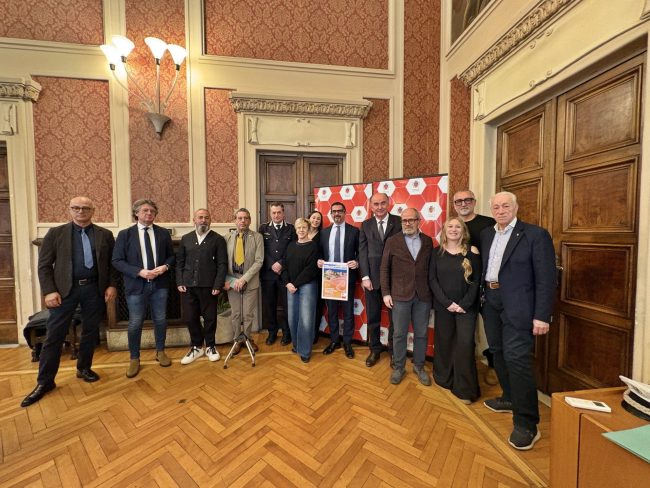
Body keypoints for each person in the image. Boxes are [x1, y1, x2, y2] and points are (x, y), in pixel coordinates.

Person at [21, 197, 118, 407]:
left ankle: (84, 368)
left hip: (94, 289)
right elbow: (44, 265)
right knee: (54, 335)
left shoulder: (104, 234)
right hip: (65, 292)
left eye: (85, 208)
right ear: (70, 210)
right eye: (76, 208)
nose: (81, 211)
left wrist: (111, 285)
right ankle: (45, 382)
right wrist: (49, 291)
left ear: (93, 210)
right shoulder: (56, 233)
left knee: (90, 332)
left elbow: (111, 264)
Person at [480, 191, 556, 450]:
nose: (501, 211)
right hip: (491, 301)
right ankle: (509, 398)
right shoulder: (487, 234)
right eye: (496, 207)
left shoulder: (535, 235)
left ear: (516, 207)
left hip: (520, 306)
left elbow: (546, 278)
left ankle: (527, 424)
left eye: (506, 206)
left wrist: (542, 315)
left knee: (517, 359)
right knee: (498, 352)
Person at [112, 199, 175, 378]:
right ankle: (134, 358)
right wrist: (139, 272)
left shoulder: (163, 233)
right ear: (136, 213)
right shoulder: (125, 234)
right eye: (145, 210)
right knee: (135, 322)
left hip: (160, 285)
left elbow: (171, 257)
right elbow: (117, 261)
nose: (149, 213)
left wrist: (165, 267)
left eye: (152, 211)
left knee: (160, 320)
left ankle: (160, 351)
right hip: (136, 285)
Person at [429, 217, 481, 404]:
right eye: (450, 226)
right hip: (444, 307)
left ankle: (465, 389)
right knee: (444, 342)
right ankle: (444, 378)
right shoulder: (436, 252)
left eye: (458, 226)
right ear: (444, 230)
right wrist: (447, 303)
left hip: (467, 308)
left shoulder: (473, 252)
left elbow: (477, 281)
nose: (453, 229)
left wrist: (463, 304)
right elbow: (432, 280)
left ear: (463, 231)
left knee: (465, 345)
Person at [381, 208, 433, 386]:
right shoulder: (392, 241)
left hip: (423, 296)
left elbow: (430, 268)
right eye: (404, 220)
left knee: (421, 333)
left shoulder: (427, 241)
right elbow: (384, 268)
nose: (407, 223)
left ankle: (419, 366)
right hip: (400, 295)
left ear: (419, 221)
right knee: (399, 334)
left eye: (411, 220)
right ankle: (399, 367)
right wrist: (386, 293)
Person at [453, 189, 499, 386]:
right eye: (459, 201)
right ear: (454, 205)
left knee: (493, 330)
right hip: (462, 288)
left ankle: (493, 365)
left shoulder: (489, 223)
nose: (463, 204)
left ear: (474, 202)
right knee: (464, 332)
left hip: (487, 287)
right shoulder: (453, 225)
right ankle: (465, 368)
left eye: (467, 200)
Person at [176, 209, 228, 364]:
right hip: (188, 286)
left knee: (210, 318)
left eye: (206, 217)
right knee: (190, 317)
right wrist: (180, 281)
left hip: (209, 286)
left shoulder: (218, 239)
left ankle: (210, 346)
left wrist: (218, 284)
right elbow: (179, 263)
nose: (203, 220)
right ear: (194, 220)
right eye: (200, 217)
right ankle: (196, 347)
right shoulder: (186, 239)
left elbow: (222, 264)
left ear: (210, 220)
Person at [359, 192, 401, 367]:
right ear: (371, 206)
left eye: (383, 203)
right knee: (373, 317)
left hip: (394, 280)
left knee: (395, 320)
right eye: (376, 204)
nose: (379, 207)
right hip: (372, 281)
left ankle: (394, 352)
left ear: (389, 203)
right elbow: (362, 252)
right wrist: (365, 276)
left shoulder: (399, 222)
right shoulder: (365, 225)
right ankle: (374, 349)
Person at [317, 202, 359, 359]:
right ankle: (334, 340)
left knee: (348, 312)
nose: (337, 214)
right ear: (331, 213)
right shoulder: (324, 233)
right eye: (334, 211)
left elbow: (361, 252)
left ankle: (347, 342)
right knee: (332, 312)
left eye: (340, 211)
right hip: (329, 278)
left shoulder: (354, 231)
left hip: (347, 278)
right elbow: (319, 252)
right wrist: (319, 261)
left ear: (345, 212)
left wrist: (357, 262)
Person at [224, 208, 264, 354]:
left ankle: (246, 338)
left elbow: (259, 261)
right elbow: (222, 262)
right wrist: (225, 280)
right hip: (231, 281)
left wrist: (244, 279)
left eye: (246, 218)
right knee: (236, 314)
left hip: (250, 280)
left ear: (250, 220)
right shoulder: (227, 238)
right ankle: (237, 340)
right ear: (235, 220)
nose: (243, 221)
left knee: (247, 314)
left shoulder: (257, 237)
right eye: (240, 218)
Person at [282, 218, 319, 362]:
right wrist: (287, 283)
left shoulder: (313, 246)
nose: (301, 230)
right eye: (299, 228)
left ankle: (304, 351)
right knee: (293, 318)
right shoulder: (290, 246)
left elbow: (311, 269)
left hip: (307, 285)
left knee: (306, 319)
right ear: (295, 230)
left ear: (308, 229)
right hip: (291, 286)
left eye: (304, 227)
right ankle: (297, 345)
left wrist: (295, 284)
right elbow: (284, 266)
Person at [259, 203, 296, 346]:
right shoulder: (263, 228)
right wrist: (271, 264)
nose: (276, 215)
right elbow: (260, 249)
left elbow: (292, 249)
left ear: (283, 213)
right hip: (268, 274)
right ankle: (272, 332)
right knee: (270, 305)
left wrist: (281, 263)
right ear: (270, 213)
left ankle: (287, 333)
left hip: (285, 274)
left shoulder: (291, 229)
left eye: (279, 212)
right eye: (273, 213)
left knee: (287, 306)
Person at [307, 210, 324, 343]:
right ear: (309, 219)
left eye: (318, 219)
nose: (316, 220)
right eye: (313, 217)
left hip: (317, 275)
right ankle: (304, 332)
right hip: (301, 274)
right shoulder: (301, 232)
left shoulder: (323, 235)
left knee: (317, 305)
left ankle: (314, 333)